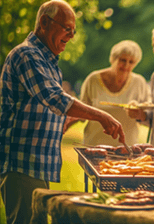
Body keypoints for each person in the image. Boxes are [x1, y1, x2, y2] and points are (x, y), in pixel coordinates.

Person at [0, 1, 125, 223]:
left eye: (73, 31)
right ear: (44, 22)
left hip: (36, 164)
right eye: (67, 28)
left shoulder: (49, 62)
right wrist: (102, 116)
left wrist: (66, 121)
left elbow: (44, 107)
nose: (71, 36)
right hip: (21, 164)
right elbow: (55, 98)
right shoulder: (26, 55)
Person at [76, 40, 151, 146]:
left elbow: (148, 116)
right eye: (123, 60)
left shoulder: (139, 82)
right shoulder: (93, 80)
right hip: (95, 145)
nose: (126, 65)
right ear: (113, 59)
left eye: (131, 62)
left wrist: (139, 113)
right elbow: (81, 115)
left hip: (126, 147)